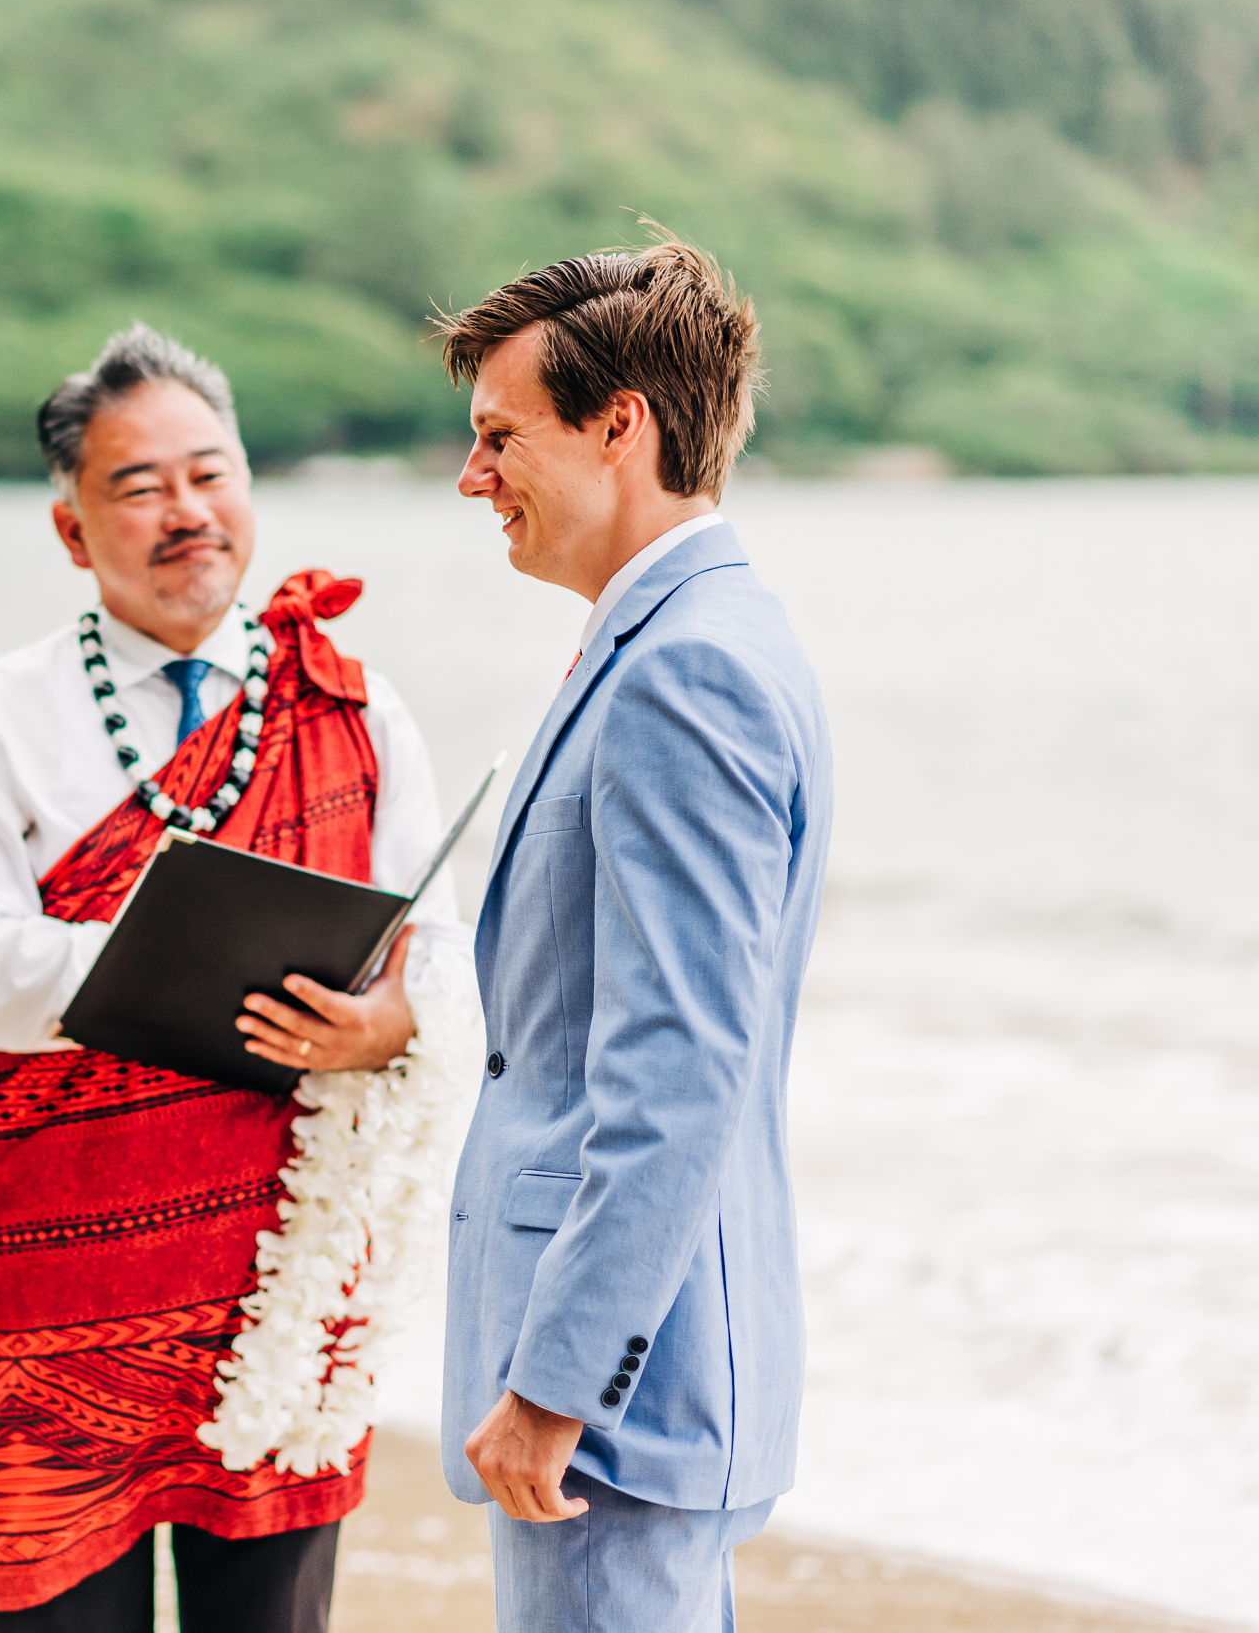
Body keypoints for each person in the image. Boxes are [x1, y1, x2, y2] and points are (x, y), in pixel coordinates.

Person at [0, 324, 483, 1631]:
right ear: (70, 529)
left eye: (209, 474)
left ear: (250, 489)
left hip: (281, 1286)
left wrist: (386, 1023)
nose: (185, 512)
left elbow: (436, 954)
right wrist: (166, 963)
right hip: (51, 1290)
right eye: (139, 486)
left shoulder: (356, 703)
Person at [433, 237, 833, 1630]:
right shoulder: (692, 635)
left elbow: (675, 1066)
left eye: (498, 437)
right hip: (656, 1374)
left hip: (621, 1401)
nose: (472, 476)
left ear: (622, 426)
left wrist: (554, 1387)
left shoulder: (689, 671)